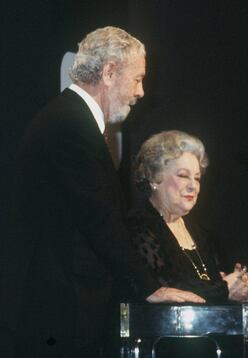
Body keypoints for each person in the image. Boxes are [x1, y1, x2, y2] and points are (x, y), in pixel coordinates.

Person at [0, 27, 203, 358]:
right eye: (137, 79)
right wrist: (149, 287)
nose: (140, 92)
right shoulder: (71, 126)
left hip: (58, 311)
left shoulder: (67, 119)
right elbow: (100, 219)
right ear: (109, 72)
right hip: (58, 315)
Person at [129, 130, 248, 303]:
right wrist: (223, 288)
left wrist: (239, 285)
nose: (193, 186)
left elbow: (214, 285)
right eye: (183, 176)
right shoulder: (137, 225)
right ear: (155, 178)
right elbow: (161, 287)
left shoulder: (203, 235)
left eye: (197, 178)